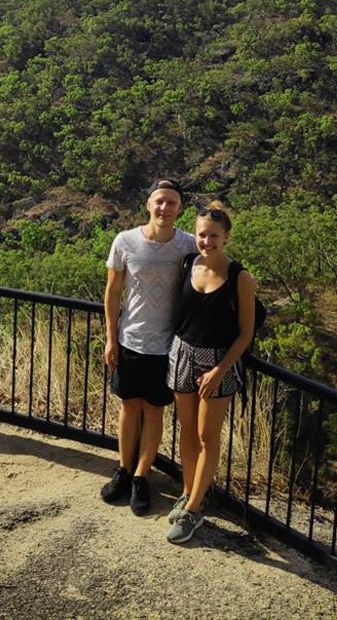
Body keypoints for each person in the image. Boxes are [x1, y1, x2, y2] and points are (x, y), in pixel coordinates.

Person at [100, 178, 197, 515]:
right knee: (129, 408)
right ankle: (124, 470)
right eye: (159, 201)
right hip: (130, 339)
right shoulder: (125, 241)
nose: (164, 208)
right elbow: (112, 292)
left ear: (180, 208)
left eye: (171, 202)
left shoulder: (188, 245)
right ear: (147, 204)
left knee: (154, 412)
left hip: (168, 344)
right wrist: (111, 337)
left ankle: (142, 477)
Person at [164, 200, 257, 544]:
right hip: (182, 353)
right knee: (187, 430)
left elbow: (245, 334)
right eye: (202, 235)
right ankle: (191, 492)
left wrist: (219, 370)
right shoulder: (188, 263)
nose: (207, 242)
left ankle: (193, 509)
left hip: (219, 361)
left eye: (214, 236)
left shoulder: (240, 278)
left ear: (226, 237)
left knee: (207, 435)